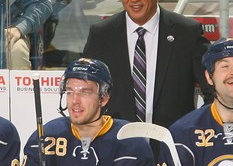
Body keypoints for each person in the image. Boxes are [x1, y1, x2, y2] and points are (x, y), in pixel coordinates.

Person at [83, 0, 212, 130]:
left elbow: (213, 90)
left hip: (173, 147)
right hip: (116, 148)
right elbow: (85, 91)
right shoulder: (101, 36)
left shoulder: (187, 34)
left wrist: (196, 132)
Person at [22, 58, 155, 165]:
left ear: (103, 98)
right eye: (69, 91)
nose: (75, 100)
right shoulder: (46, 137)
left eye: (85, 92)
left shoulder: (131, 142)